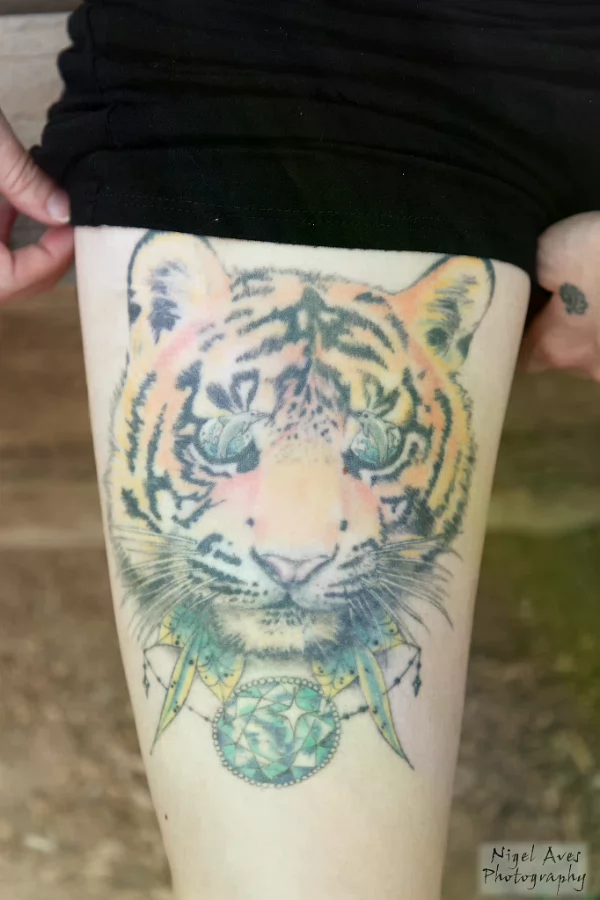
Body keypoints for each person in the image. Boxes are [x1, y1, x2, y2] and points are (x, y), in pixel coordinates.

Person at [1, 3, 599, 899]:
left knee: (556, 875)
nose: (296, 544)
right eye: (222, 438)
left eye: (379, 443)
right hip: (285, 64)